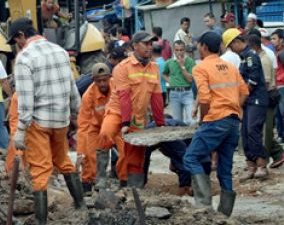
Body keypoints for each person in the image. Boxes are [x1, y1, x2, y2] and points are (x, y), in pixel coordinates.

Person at [9, 17, 84, 224]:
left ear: (22, 36)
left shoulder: (25, 58)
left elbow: (25, 100)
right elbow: (72, 87)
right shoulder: (60, 51)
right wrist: (76, 112)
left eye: (16, 40)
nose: (17, 45)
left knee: (40, 170)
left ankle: (42, 222)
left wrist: (21, 130)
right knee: (63, 160)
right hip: (60, 121)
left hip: (38, 124)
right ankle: (81, 206)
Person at [183, 32, 248, 217]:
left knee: (190, 158)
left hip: (215, 120)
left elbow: (204, 98)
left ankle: (204, 207)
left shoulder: (200, 68)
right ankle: (224, 214)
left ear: (203, 46)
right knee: (224, 169)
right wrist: (235, 107)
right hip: (233, 121)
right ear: (219, 46)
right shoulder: (230, 67)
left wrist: (204, 121)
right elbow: (244, 92)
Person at [98, 32, 165, 188]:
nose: (150, 47)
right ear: (135, 45)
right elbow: (124, 97)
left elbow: (156, 98)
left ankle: (133, 188)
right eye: (146, 44)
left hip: (137, 117)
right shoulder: (122, 68)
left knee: (135, 155)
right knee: (106, 134)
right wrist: (125, 122)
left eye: (151, 44)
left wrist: (160, 123)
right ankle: (100, 178)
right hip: (117, 111)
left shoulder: (154, 68)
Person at [224, 29, 269, 181]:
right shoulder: (243, 57)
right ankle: (251, 165)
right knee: (244, 132)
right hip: (248, 101)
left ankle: (261, 164)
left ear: (237, 42)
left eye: (231, 46)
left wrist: (241, 98)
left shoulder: (251, 57)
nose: (232, 50)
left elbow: (253, 81)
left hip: (256, 100)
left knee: (252, 130)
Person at [76, 63, 126, 191]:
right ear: (94, 81)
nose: (103, 84)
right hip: (96, 128)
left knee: (125, 152)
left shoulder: (118, 87)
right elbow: (83, 125)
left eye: (105, 80)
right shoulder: (88, 96)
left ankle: (125, 183)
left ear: (110, 77)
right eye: (99, 81)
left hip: (117, 127)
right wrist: (80, 152)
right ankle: (87, 184)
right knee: (89, 154)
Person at [249, 35, 284, 170]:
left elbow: (265, 82)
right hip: (264, 97)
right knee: (261, 130)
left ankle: (265, 160)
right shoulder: (261, 57)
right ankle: (278, 154)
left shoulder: (263, 59)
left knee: (265, 131)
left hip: (266, 97)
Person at [163, 40, 196, 125]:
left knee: (191, 120)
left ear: (184, 50)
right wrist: (170, 81)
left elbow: (190, 79)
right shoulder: (169, 62)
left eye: (181, 50)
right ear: (173, 50)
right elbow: (164, 74)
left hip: (187, 92)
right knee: (178, 122)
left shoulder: (190, 62)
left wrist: (182, 66)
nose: (179, 52)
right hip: (174, 94)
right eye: (177, 50)